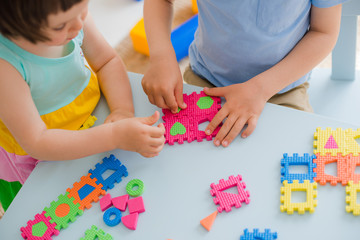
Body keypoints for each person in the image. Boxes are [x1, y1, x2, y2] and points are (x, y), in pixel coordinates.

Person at [0, 0, 165, 217]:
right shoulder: (6, 67)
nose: (79, 25)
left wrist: (121, 110)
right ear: (16, 27)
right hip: (42, 155)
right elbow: (37, 141)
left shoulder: (70, 14)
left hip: (94, 117)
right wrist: (114, 135)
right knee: (48, 216)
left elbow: (107, 61)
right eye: (60, 27)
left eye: (85, 9)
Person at [142, 0, 347, 148]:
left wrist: (260, 89)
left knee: (297, 157)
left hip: (281, 88)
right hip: (207, 79)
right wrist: (161, 57)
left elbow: (324, 32)